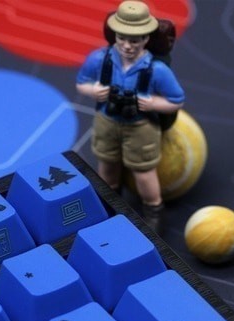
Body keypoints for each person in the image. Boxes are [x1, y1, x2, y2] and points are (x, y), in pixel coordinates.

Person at [76, 0, 185, 233]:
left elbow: (176, 100)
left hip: (140, 125)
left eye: (134, 40)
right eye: (122, 38)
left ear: (145, 39)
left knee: (144, 172)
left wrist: (153, 103)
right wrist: (94, 91)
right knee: (107, 165)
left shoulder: (157, 70)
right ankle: (109, 204)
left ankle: (153, 211)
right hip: (107, 120)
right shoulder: (100, 59)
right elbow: (81, 83)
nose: (127, 46)